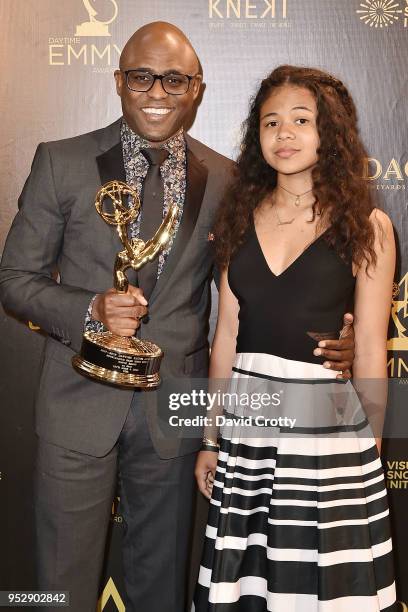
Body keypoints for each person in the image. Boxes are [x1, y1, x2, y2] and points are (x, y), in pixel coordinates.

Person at [0, 22, 354, 612]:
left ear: (197, 89)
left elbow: (263, 281)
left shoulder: (228, 179)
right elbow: (13, 280)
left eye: (174, 79)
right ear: (119, 81)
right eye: (141, 76)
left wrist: (338, 338)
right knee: (56, 589)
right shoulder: (61, 163)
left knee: (162, 591)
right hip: (75, 406)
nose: (156, 92)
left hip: (175, 414)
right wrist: (89, 307)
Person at [194, 66, 396, 611]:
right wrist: (212, 440)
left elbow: (373, 345)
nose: (284, 134)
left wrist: (369, 447)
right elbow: (226, 336)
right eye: (271, 123)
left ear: (329, 132)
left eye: (301, 121)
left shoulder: (368, 225)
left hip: (327, 436)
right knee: (251, 583)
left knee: (321, 586)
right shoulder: (238, 219)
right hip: (249, 424)